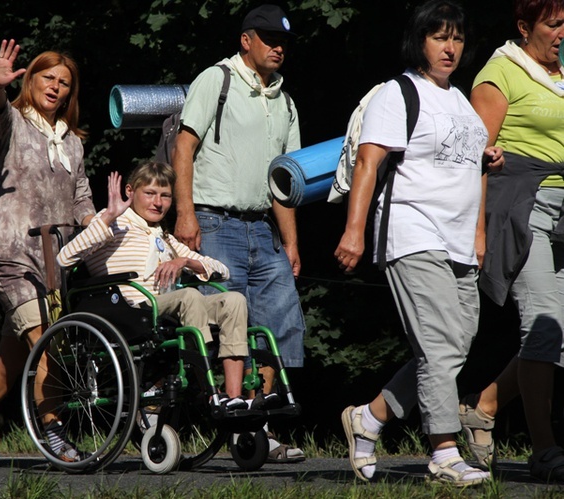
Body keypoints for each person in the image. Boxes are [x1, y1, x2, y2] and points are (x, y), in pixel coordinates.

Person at [334, 0, 504, 486]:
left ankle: (367, 419)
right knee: (437, 347)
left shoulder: (460, 102)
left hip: (458, 241)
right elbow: (368, 162)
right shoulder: (399, 92)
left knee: (452, 348)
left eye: (456, 38)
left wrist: (485, 161)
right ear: (419, 41)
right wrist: (354, 230)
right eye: (439, 37)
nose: (449, 47)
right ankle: (444, 452)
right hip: (413, 232)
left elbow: (459, 161)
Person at [0, 39, 96, 470]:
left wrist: (105, 223)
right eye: (48, 77)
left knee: (13, 358)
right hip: (8, 249)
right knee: (45, 344)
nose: (56, 87)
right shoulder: (12, 121)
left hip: (53, 260)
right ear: (31, 79)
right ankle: (56, 437)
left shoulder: (72, 142)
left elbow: (81, 201)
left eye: (65, 83)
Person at [171, 3, 305, 463]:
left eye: (283, 40)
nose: (278, 47)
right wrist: (185, 215)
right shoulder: (218, 79)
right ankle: (236, 421)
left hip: (264, 228)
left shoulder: (285, 101)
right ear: (246, 41)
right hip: (215, 221)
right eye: (268, 38)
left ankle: (258, 421)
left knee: (281, 323)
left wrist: (291, 244)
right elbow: (183, 148)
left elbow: (285, 183)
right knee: (231, 325)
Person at [460, 0, 564, 482]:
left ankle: (483, 406)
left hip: (562, 212)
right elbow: (474, 158)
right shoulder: (500, 72)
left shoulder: (562, 74)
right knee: (542, 327)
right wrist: (478, 230)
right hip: (525, 209)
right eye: (553, 24)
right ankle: (545, 448)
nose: (562, 33)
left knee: (559, 330)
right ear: (525, 28)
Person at [57, 164, 248, 407]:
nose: (158, 202)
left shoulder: (164, 237)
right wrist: (107, 216)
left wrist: (185, 261)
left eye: (165, 195)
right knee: (189, 295)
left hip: (167, 306)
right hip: (128, 307)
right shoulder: (111, 222)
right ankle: (210, 391)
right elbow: (64, 259)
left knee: (233, 301)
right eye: (149, 193)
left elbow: (223, 271)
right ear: (130, 191)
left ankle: (234, 399)